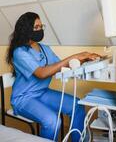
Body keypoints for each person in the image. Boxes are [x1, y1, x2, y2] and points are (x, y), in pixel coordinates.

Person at [7, 12, 101, 142]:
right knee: (52, 121)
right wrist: (75, 56)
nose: (40, 30)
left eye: (41, 26)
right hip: (24, 98)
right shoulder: (20, 52)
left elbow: (61, 67)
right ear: (26, 29)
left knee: (76, 105)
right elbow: (42, 73)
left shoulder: (45, 49)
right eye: (36, 27)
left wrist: (85, 59)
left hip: (42, 93)